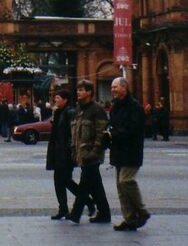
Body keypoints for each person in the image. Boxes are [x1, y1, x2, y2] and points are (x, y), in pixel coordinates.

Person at [107, 77, 151, 231]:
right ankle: (130, 218)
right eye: (112, 87)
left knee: (126, 181)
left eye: (115, 87)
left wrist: (114, 134)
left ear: (124, 88)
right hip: (118, 150)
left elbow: (133, 129)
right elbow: (111, 124)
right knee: (120, 186)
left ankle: (142, 211)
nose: (112, 90)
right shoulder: (115, 106)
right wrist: (108, 132)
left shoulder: (134, 106)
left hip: (131, 150)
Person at [67, 79, 111, 224]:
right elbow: (75, 133)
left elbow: (100, 133)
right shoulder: (79, 110)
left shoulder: (97, 109)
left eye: (81, 90)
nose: (78, 92)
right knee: (95, 185)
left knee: (85, 185)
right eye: (78, 89)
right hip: (81, 153)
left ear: (89, 92)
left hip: (92, 154)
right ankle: (104, 213)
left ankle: (75, 213)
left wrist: (94, 152)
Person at [45, 89, 81, 220]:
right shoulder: (59, 112)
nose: (55, 100)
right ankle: (63, 208)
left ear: (65, 100)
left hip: (65, 153)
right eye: (55, 97)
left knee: (65, 180)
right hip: (58, 152)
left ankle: (86, 201)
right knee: (59, 181)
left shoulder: (69, 112)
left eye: (58, 97)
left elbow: (71, 134)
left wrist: (69, 150)